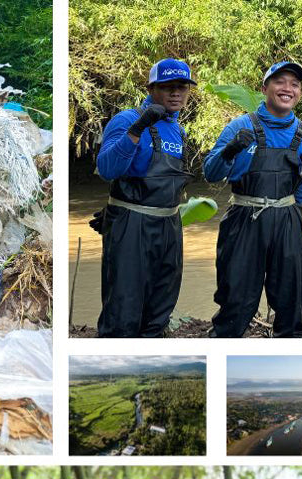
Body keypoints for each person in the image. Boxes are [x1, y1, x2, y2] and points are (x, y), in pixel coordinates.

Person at [204, 60, 302, 338]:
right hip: (244, 219)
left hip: (287, 221)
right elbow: (211, 172)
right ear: (264, 88)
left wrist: (291, 203)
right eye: (280, 82)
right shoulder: (240, 126)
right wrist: (230, 151)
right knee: (236, 297)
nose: (288, 89)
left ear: (300, 93)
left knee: (291, 299)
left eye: (295, 84)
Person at [94, 59, 196, 337]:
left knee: (161, 303)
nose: (176, 93)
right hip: (131, 225)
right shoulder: (126, 120)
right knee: (124, 307)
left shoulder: (179, 131)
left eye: (182, 87)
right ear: (151, 88)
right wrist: (137, 130)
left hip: (169, 225)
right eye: (167, 87)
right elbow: (107, 169)